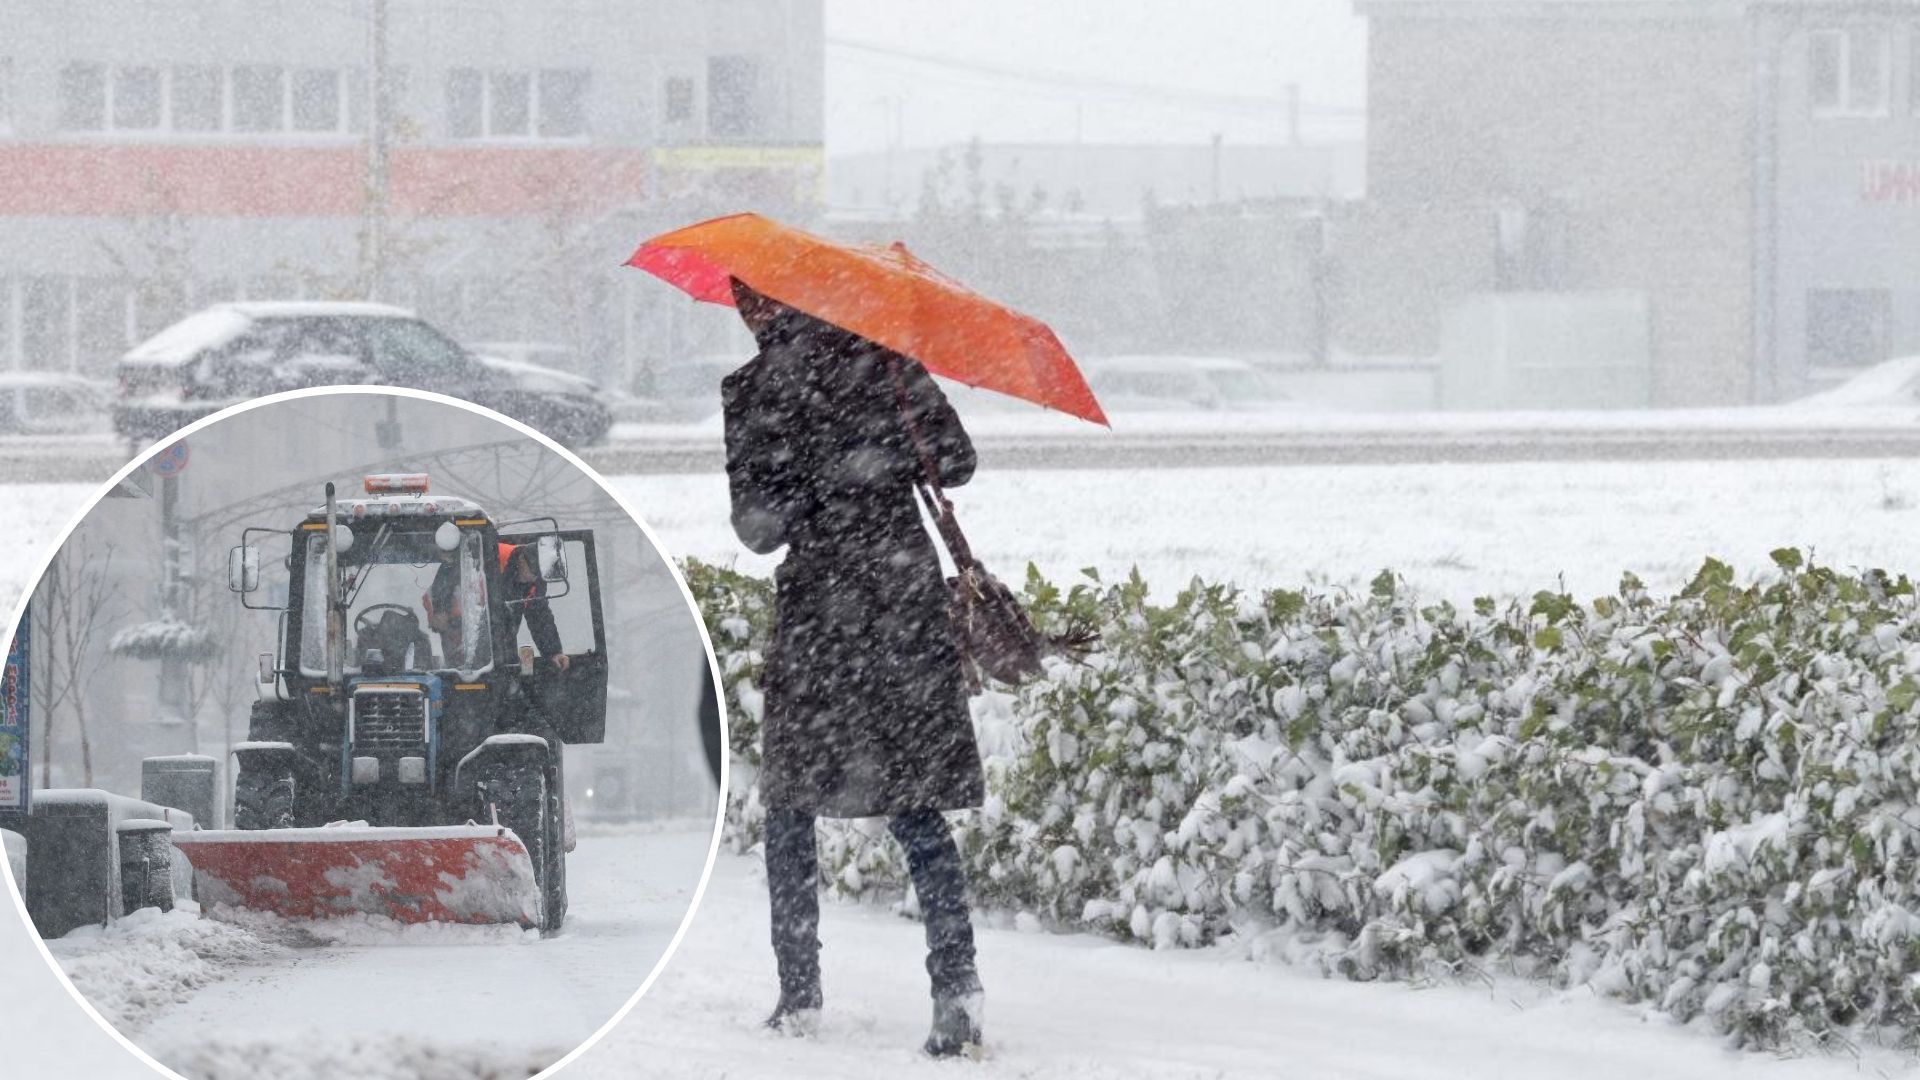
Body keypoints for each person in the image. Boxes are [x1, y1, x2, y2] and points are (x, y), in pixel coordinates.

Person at [722, 277, 986, 1057]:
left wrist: (809, 477)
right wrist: (882, 441)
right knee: (914, 803)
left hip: (820, 620)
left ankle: (798, 995)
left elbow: (758, 529)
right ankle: (957, 987)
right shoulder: (888, 361)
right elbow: (958, 464)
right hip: (903, 603)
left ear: (754, 305)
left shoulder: (756, 387)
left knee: (791, 806)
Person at [423, 541, 570, 672]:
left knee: (509, 678)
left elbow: (540, 617)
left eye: (539, 576)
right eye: (533, 573)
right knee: (463, 675)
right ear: (522, 560)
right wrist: (440, 608)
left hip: (501, 637)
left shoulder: (536, 578)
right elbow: (449, 570)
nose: (534, 579)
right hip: (464, 626)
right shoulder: (490, 553)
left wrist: (553, 652)